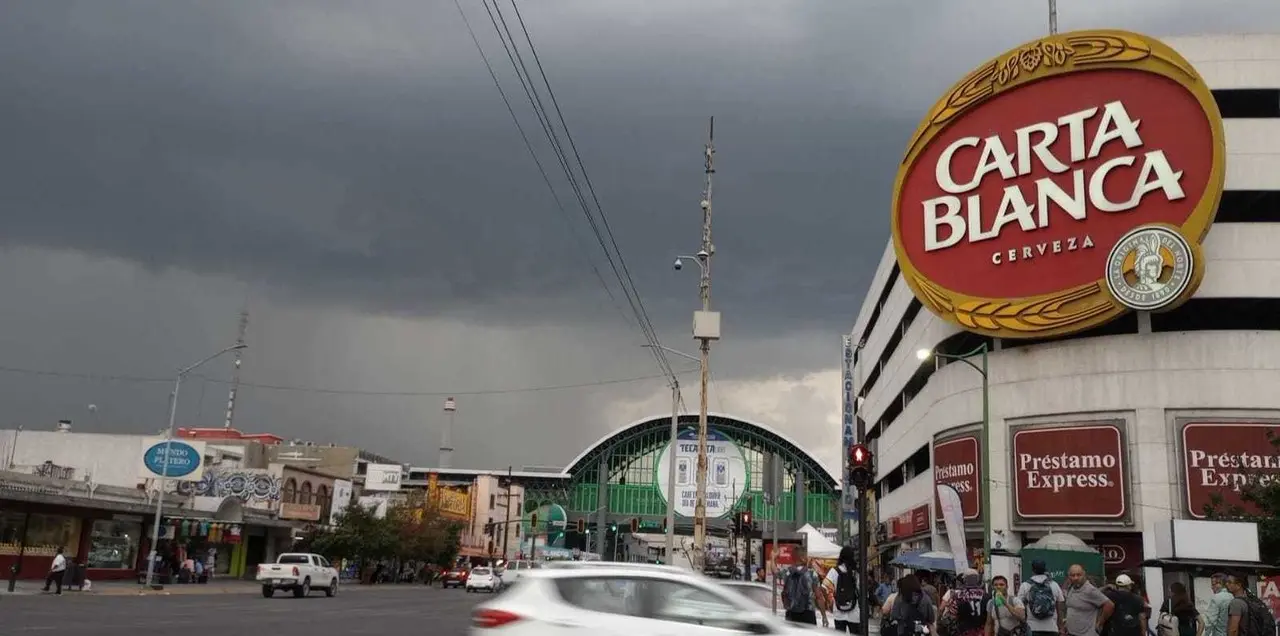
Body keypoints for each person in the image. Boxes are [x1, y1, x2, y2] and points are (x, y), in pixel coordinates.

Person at [1018, 560, 1066, 636]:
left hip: (1032, 628)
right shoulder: (1054, 585)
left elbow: (1020, 608)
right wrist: (1061, 627)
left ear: (1032, 570)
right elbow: (1060, 609)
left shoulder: (1025, 585)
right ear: (1045, 569)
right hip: (1052, 628)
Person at [1064, 565, 1114, 636]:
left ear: (1084, 574)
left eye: (1079, 575)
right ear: (1069, 577)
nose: (1076, 578)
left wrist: (1100, 623)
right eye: (1073, 575)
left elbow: (1110, 605)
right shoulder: (1071, 588)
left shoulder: (1090, 590)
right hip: (1071, 633)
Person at [781, 551, 828, 626]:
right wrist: (824, 616)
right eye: (806, 556)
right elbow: (819, 596)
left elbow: (774, 571)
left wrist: (773, 558)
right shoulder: (812, 573)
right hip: (808, 613)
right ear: (803, 558)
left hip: (791, 613)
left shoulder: (788, 572)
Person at [824, 546, 862, 633]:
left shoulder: (834, 571)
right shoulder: (856, 572)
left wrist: (829, 602)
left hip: (838, 611)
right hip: (854, 612)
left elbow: (823, 588)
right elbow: (861, 591)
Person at [947, 569, 992, 636]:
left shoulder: (958, 596)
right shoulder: (986, 596)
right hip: (982, 632)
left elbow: (952, 615)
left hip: (963, 631)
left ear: (964, 580)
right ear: (977, 580)